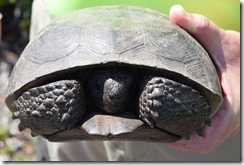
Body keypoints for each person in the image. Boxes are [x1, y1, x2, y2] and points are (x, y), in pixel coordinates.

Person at [30, 0, 240, 161]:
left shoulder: (154, 92)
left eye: (126, 87)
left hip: (215, 61)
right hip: (59, 36)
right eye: (99, 86)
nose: (114, 94)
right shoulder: (67, 93)